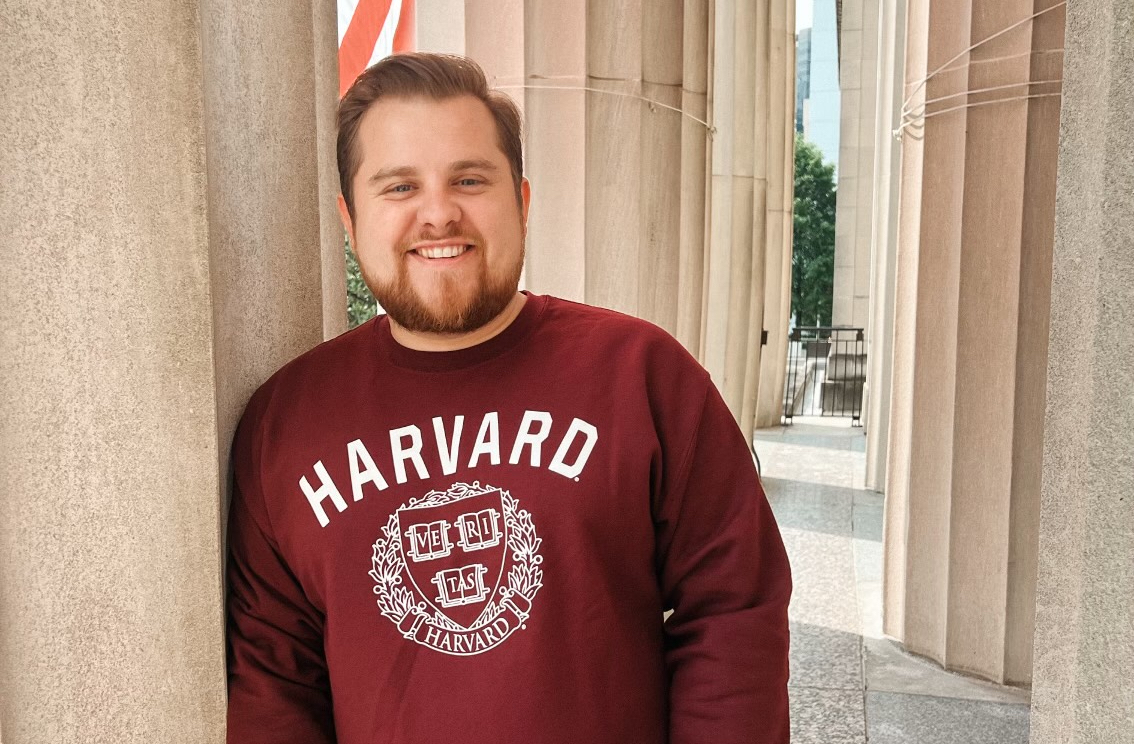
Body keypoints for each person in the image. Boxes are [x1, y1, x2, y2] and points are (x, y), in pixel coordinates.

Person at [225, 52, 791, 744]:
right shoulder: (283, 425)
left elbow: (735, 611)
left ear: (521, 202)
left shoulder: (642, 377)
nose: (438, 213)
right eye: (399, 187)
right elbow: (273, 687)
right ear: (350, 221)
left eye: (469, 179)